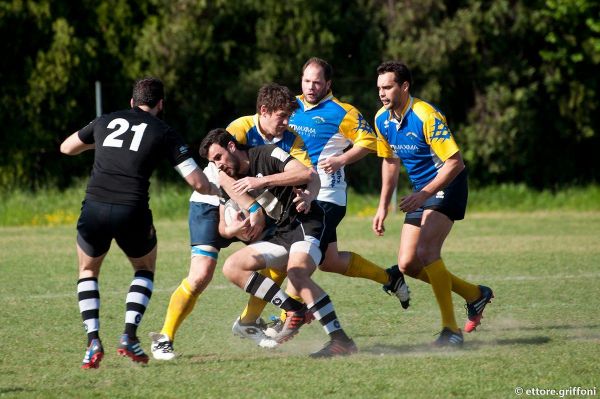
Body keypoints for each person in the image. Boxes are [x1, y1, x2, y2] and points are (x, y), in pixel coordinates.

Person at [234, 57, 411, 338]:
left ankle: (284, 319)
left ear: (328, 83)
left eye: (317, 82)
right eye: (306, 81)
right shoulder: (289, 105)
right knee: (330, 260)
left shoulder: (342, 111)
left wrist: (341, 159)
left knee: (297, 260)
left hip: (326, 196)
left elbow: (369, 142)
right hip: (292, 196)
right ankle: (390, 277)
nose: (311, 87)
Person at [59, 77, 219, 369]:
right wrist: (218, 192)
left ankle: (92, 340)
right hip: (131, 210)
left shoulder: (105, 120)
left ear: (132, 101)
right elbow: (197, 182)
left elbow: (66, 148)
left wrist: (106, 147)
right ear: (161, 104)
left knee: (87, 271)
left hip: (93, 206)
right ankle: (128, 336)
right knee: (144, 268)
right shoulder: (164, 131)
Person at [149, 83, 312, 360]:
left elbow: (303, 173)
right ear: (264, 111)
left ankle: (247, 324)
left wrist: (306, 196)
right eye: (281, 117)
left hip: (253, 205)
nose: (286, 123)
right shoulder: (241, 127)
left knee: (281, 259)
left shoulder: (292, 139)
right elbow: (219, 168)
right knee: (201, 275)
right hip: (212, 201)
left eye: (288, 117)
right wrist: (253, 208)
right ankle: (164, 337)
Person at [200, 128, 357, 357]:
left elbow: (307, 174)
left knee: (296, 274)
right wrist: (236, 228)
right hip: (282, 233)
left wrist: (262, 181)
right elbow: (224, 228)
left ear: (232, 147)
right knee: (232, 267)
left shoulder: (267, 154)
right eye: (213, 162)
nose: (218, 165)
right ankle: (294, 309)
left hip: (306, 222)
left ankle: (341, 341)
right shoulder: (230, 178)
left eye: (218, 157)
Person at [372, 61, 494, 346]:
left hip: (448, 184)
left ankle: (451, 331)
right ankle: (475, 295)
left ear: (404, 87)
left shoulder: (426, 116)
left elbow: (455, 163)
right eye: (379, 88)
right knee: (408, 264)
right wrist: (382, 205)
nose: (382, 93)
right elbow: (390, 161)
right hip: (422, 192)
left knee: (427, 250)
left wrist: (423, 195)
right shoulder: (382, 119)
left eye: (388, 87)